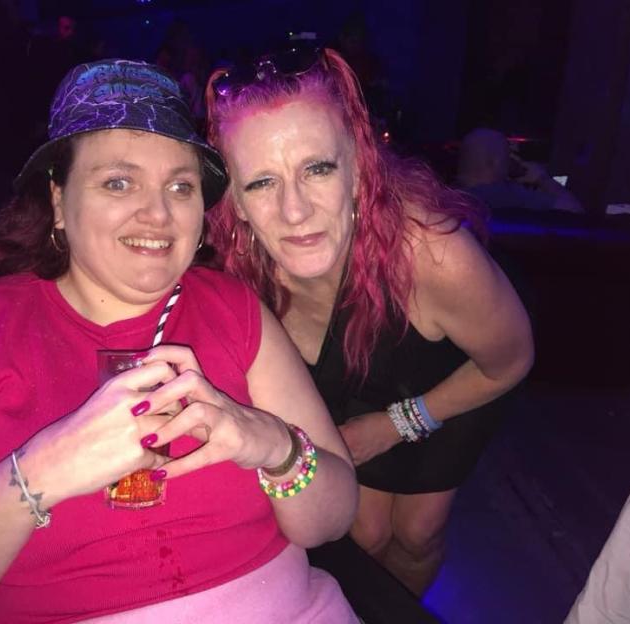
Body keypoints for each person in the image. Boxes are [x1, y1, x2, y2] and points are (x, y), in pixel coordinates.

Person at [0, 59, 360, 624]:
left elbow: (334, 517)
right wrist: (46, 469)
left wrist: (271, 444)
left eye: (180, 186)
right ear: (58, 201)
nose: (158, 213)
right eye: (119, 182)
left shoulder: (233, 307)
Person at [204, 48, 535, 596]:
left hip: (451, 379)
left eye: (318, 168)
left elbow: (511, 362)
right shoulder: (232, 275)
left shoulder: (431, 254)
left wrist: (396, 424)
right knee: (367, 532)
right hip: (354, 384)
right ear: (234, 200)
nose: (294, 211)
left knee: (418, 533)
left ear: (359, 169)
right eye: (261, 182)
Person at [457, 127, 585, 216]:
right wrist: (542, 178)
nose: (512, 159)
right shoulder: (509, 195)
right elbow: (574, 211)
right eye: (508, 153)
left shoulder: (451, 196)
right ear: (495, 161)